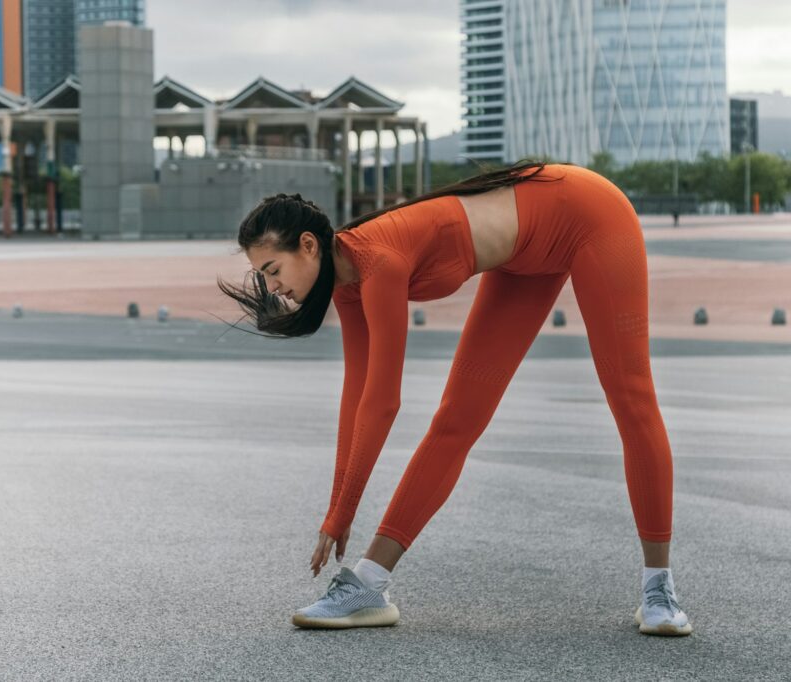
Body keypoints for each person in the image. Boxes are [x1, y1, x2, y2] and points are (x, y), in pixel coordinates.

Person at [217, 161, 692, 637]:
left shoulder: (378, 261)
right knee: (455, 420)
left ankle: (658, 589)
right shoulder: (347, 282)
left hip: (591, 215)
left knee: (631, 396)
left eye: (273, 270)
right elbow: (356, 398)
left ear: (308, 245)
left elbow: (384, 402)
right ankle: (367, 585)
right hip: (522, 258)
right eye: (263, 276)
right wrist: (336, 508)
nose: (273, 287)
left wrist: (341, 515)